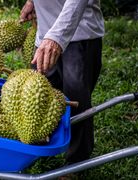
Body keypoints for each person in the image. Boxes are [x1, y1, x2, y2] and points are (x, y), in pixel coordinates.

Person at [20, 0, 105, 165]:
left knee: (76, 101)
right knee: (38, 95)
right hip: (45, 33)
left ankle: (76, 162)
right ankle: (41, 148)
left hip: (79, 34)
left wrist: (56, 37)